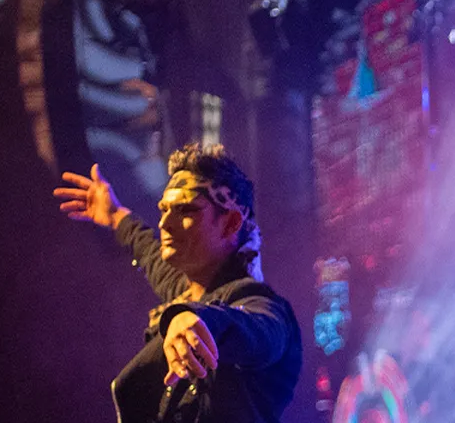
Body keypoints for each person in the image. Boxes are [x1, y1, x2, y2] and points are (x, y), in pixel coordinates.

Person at [56, 143, 302, 423]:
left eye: (185, 210)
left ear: (231, 222)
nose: (164, 223)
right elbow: (149, 250)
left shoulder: (261, 305)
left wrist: (196, 318)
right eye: (164, 209)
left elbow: (259, 331)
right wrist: (115, 215)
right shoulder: (188, 289)